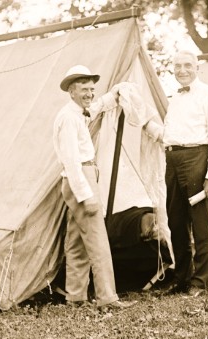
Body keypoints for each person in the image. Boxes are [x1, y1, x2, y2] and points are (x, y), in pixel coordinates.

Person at [141, 50, 208, 296]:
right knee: (176, 222)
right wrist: (145, 124)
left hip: (197, 158)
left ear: (197, 68)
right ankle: (182, 278)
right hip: (173, 160)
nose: (182, 71)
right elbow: (171, 136)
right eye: (177, 66)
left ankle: (200, 281)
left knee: (200, 224)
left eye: (188, 65)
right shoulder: (175, 99)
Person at [53, 64, 135, 310]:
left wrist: (113, 95)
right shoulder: (68, 118)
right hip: (80, 177)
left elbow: (97, 106)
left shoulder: (79, 112)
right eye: (84, 90)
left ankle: (75, 296)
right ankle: (107, 298)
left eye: (92, 89)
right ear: (71, 92)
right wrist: (86, 195)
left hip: (84, 175)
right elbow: (70, 160)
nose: (90, 94)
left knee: (78, 241)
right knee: (98, 240)